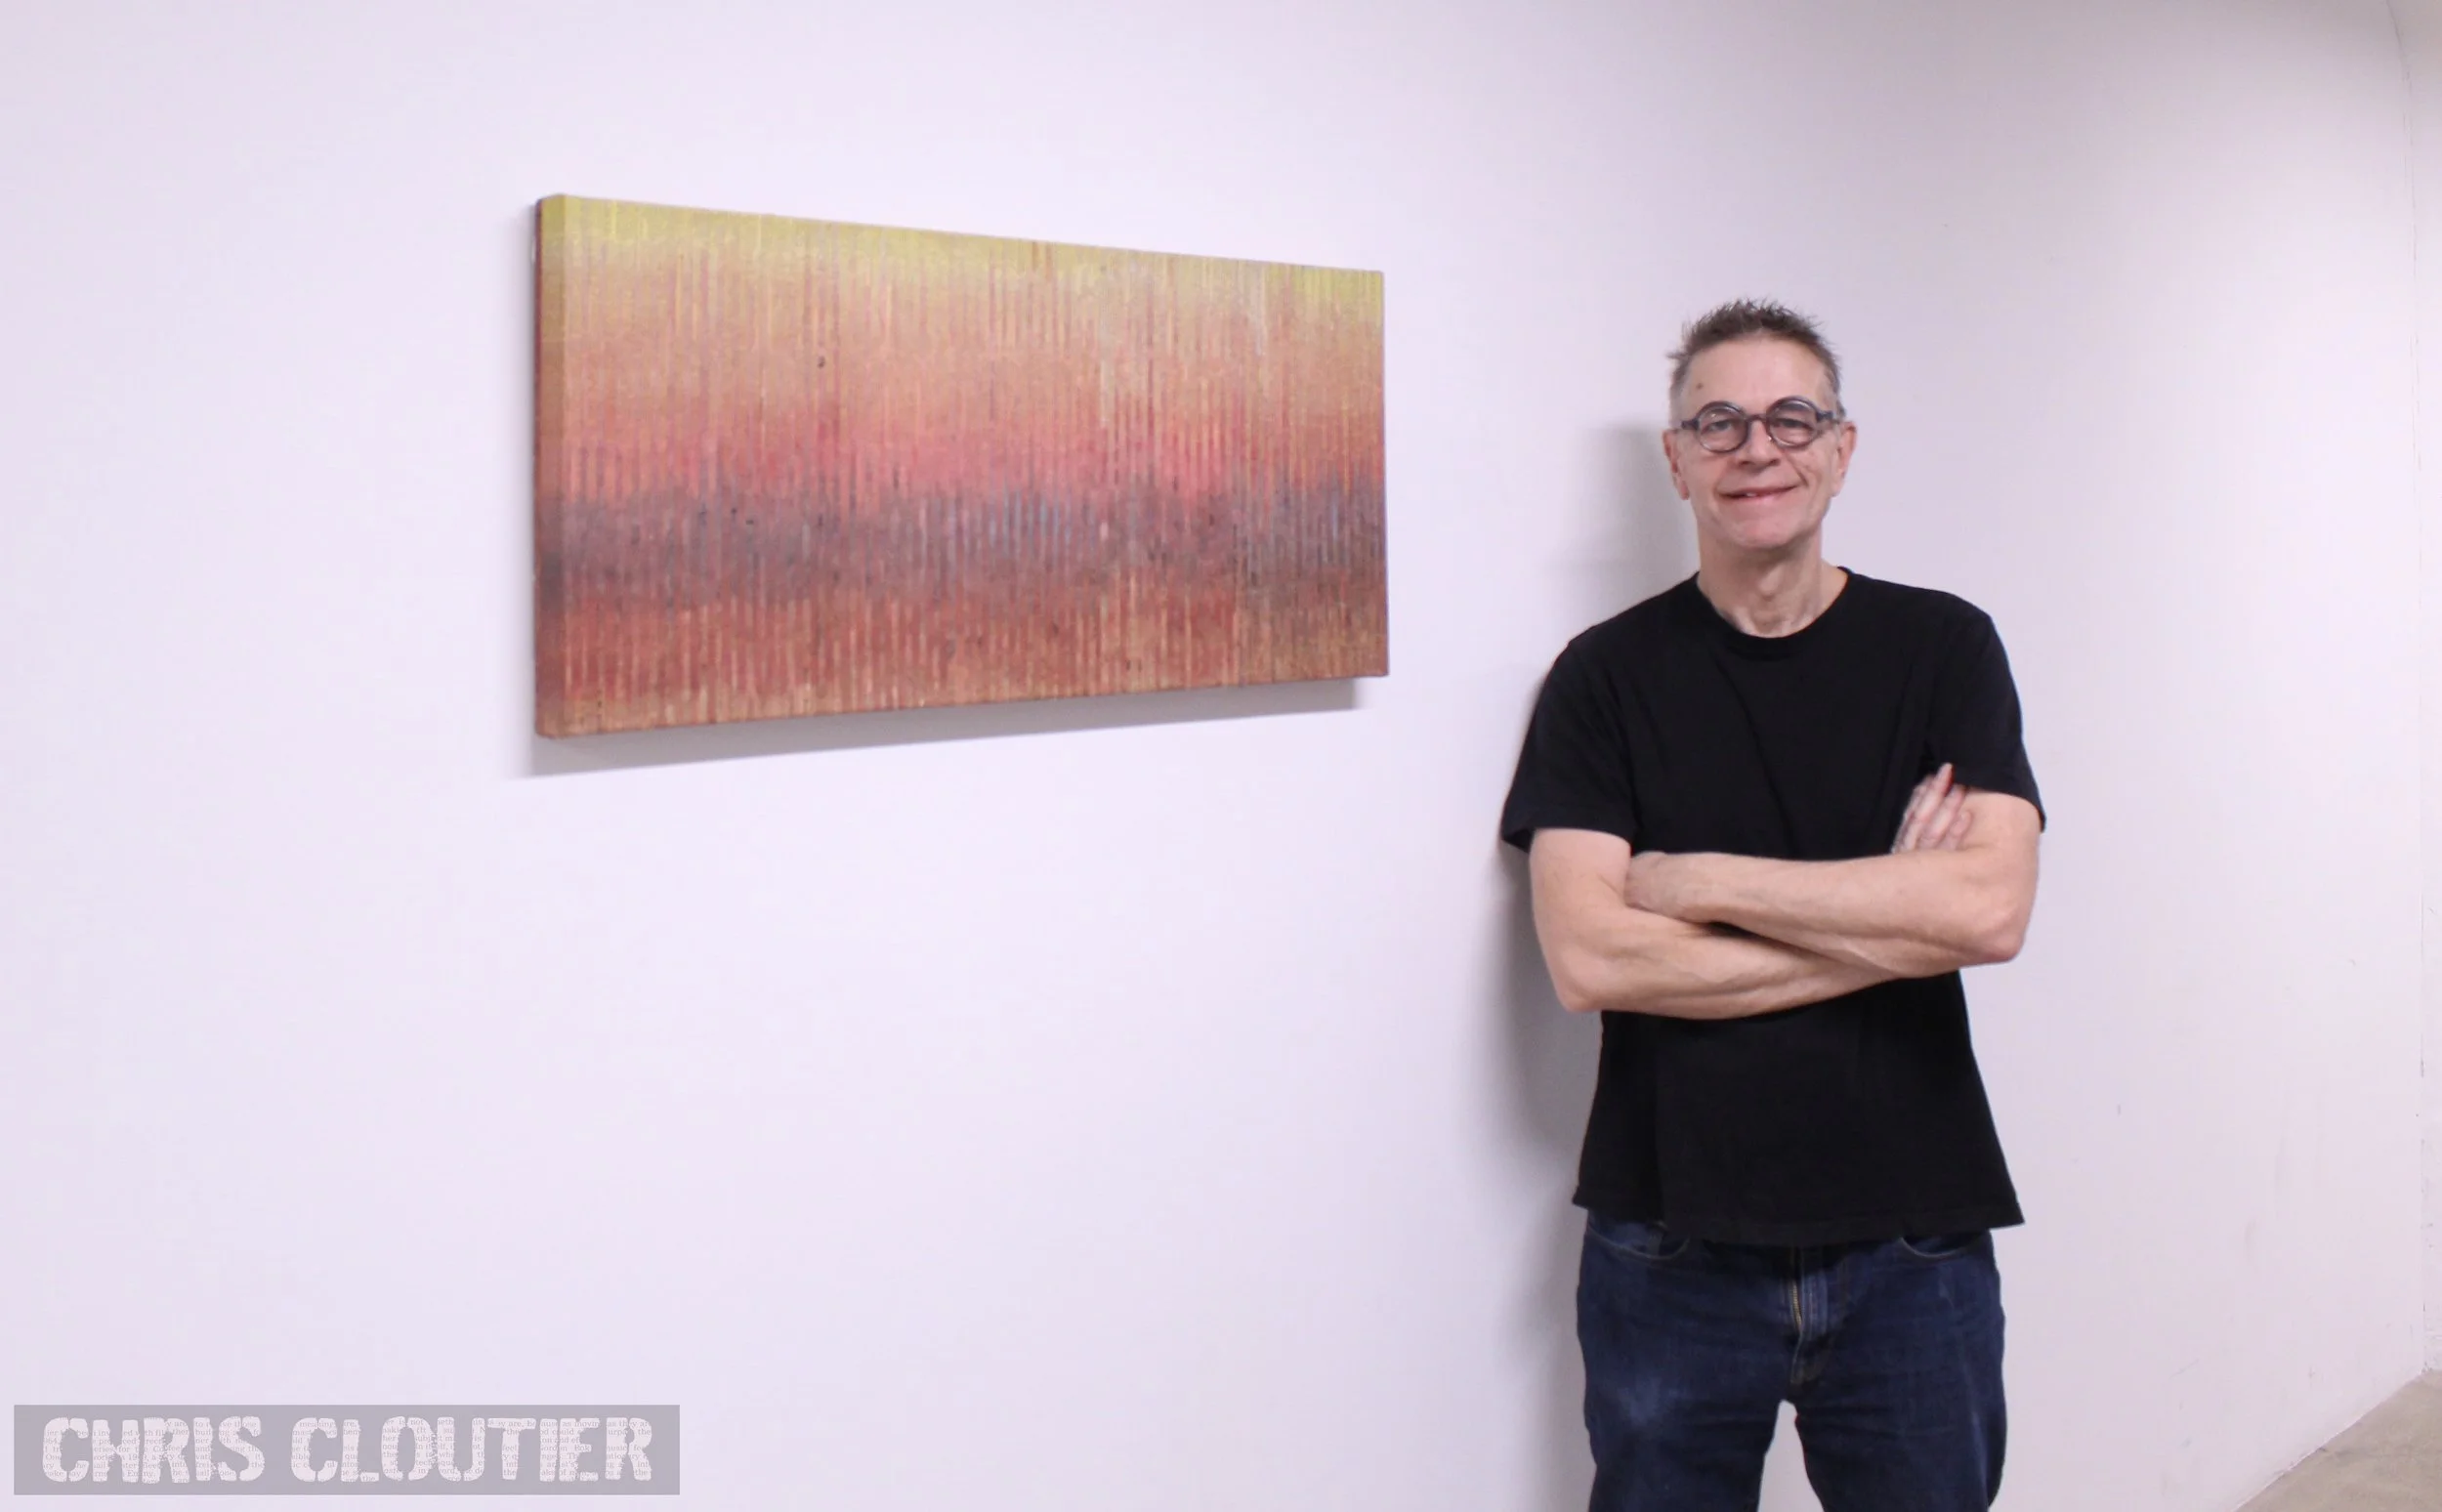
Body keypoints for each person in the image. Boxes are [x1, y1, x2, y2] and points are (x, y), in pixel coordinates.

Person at [1498, 299, 2044, 1512]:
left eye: (1793, 417)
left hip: (1914, 1232)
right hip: (1669, 1239)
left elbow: (1990, 911)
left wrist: (1701, 884)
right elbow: (1592, 959)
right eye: (1720, 422)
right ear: (1676, 458)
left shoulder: (1943, 647)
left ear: (1841, 448)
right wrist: (1894, 925)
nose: (1759, 447)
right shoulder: (1604, 676)